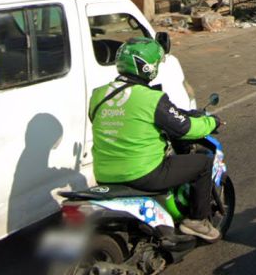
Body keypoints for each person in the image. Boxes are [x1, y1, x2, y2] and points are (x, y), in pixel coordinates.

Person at [89, 39, 222, 241]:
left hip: (103, 174)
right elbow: (185, 128)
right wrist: (212, 122)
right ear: (148, 67)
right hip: (143, 173)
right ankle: (197, 221)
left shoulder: (98, 95)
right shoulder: (151, 98)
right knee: (203, 163)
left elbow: (120, 121)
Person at [153, 30, 196, 113]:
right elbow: (188, 89)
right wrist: (193, 107)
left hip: (168, 114)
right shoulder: (173, 60)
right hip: (184, 112)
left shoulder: (151, 66)